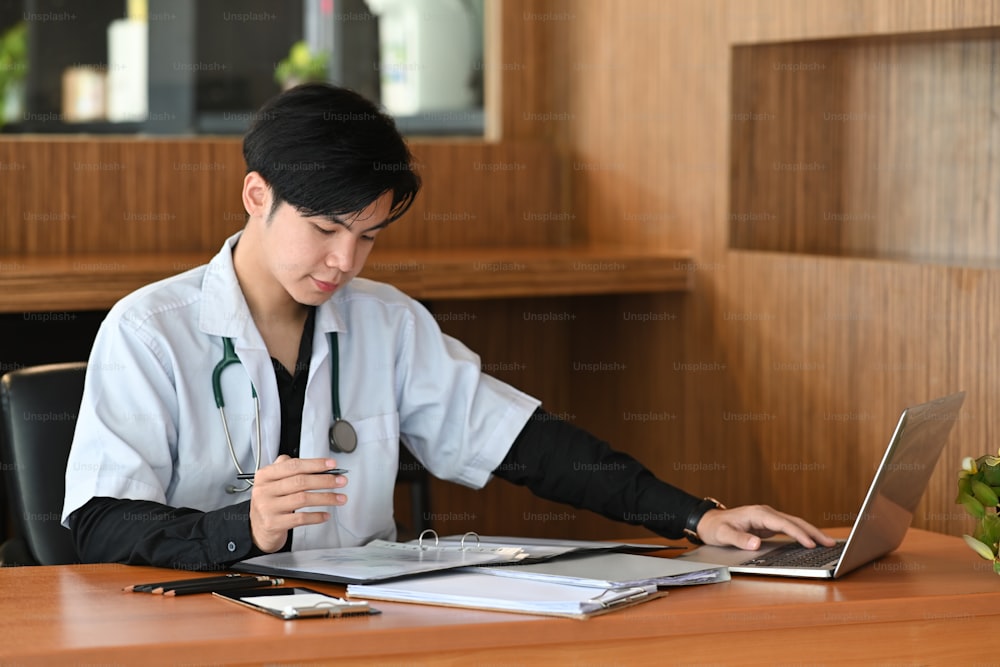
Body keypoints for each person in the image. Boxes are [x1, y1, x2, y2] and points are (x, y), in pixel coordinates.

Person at [61, 83, 834, 569]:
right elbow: (99, 526)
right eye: (328, 227)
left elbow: (527, 444)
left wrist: (696, 514)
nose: (345, 261)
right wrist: (241, 528)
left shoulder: (386, 324)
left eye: (368, 235)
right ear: (256, 193)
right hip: (198, 631)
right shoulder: (150, 331)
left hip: (359, 624)